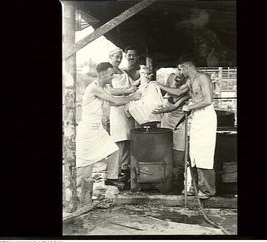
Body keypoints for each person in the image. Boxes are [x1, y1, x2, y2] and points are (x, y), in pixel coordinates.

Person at [76, 62, 141, 203]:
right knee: (85, 168)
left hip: (97, 129)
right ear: (103, 74)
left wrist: (131, 90)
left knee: (113, 149)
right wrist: (132, 97)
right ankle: (74, 195)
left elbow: (115, 93)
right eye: (111, 74)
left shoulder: (105, 86)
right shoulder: (93, 88)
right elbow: (114, 101)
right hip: (87, 130)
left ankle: (111, 179)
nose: (113, 76)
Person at [154, 56, 217, 198]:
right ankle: (195, 187)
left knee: (203, 153)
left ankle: (207, 190)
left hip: (206, 116)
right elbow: (176, 93)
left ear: (186, 67)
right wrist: (157, 85)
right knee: (193, 153)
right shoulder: (190, 81)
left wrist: (190, 107)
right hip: (196, 116)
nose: (179, 72)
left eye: (180, 68)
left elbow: (208, 100)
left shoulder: (203, 78)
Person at [152, 72, 189, 193]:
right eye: (176, 77)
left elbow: (174, 106)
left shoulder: (187, 91)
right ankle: (163, 180)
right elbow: (161, 94)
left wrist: (157, 84)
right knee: (164, 152)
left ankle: (178, 182)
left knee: (179, 156)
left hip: (180, 123)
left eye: (180, 78)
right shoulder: (171, 80)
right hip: (166, 122)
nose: (177, 79)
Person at [106, 48, 137, 182]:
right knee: (118, 140)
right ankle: (113, 174)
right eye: (116, 57)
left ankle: (124, 170)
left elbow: (132, 86)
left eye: (120, 57)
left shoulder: (123, 73)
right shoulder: (108, 72)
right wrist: (127, 90)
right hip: (116, 108)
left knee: (127, 140)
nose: (118, 59)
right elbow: (109, 91)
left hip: (127, 108)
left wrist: (143, 80)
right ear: (110, 57)